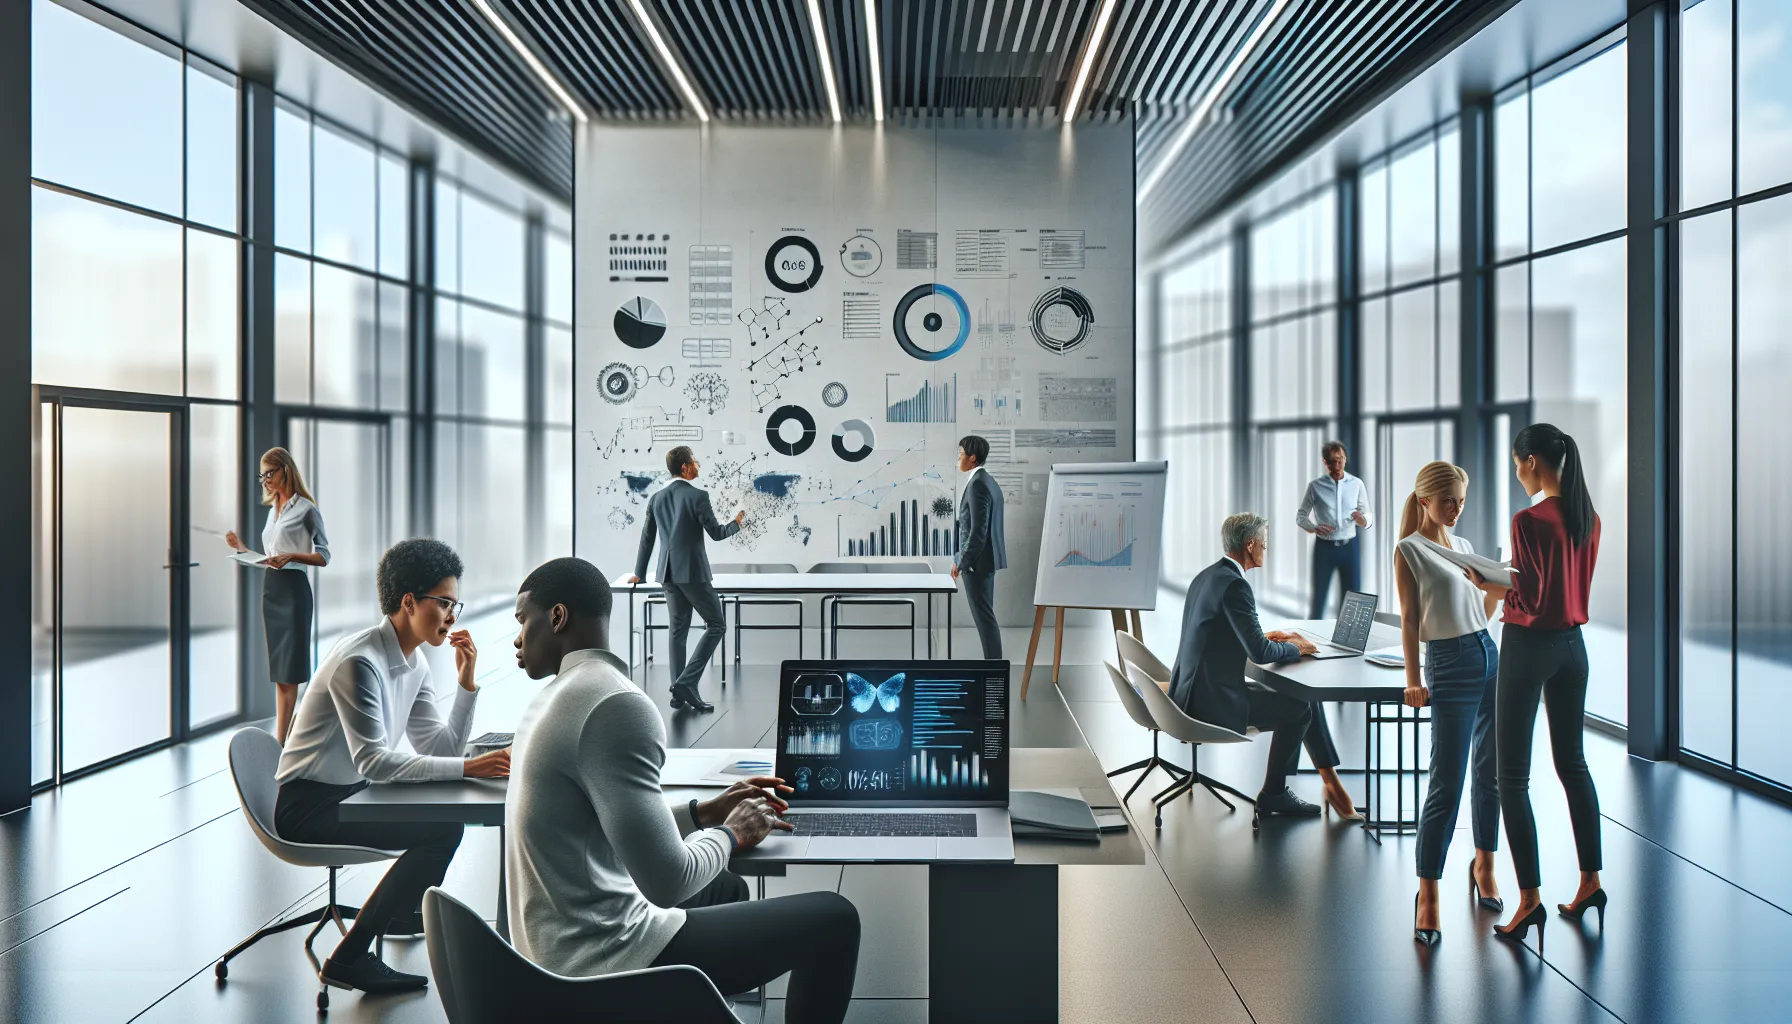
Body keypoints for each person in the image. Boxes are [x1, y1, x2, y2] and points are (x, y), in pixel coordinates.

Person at [508, 557, 861, 1024]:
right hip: (604, 961)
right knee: (834, 919)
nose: (517, 636)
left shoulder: (556, 698)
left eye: (521, 621)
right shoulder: (612, 702)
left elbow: (604, 825)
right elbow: (668, 883)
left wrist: (704, 813)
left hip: (546, 953)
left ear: (557, 618)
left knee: (725, 888)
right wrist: (732, 833)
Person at [274, 539, 510, 995]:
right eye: (443, 603)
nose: (452, 615)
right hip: (308, 805)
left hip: (351, 791)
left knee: (445, 824)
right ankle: (349, 957)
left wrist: (465, 685)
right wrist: (469, 769)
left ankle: (399, 912)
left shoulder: (413, 660)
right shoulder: (359, 662)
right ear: (409, 602)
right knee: (441, 831)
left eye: (453, 603)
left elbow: (439, 747)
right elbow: (375, 762)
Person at [1468, 424, 1605, 950]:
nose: (1516, 471)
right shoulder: (1588, 517)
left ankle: (1529, 901)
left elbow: (1530, 596)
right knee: (1574, 765)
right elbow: (1564, 587)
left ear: (1530, 461)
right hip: (1574, 649)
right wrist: (1513, 579)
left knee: (1511, 777)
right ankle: (1590, 883)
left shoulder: (1528, 519)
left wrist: (1493, 584)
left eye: (1516, 462)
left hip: (1528, 649)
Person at [1168, 513, 1361, 819]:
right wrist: (1294, 648)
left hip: (1187, 692)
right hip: (1210, 703)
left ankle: (1329, 782)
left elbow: (1220, 633)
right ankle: (1274, 794)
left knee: (1304, 699)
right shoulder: (1235, 586)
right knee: (1300, 710)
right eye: (1265, 544)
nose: (1266, 550)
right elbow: (1259, 653)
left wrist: (1270, 638)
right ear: (1250, 544)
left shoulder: (1207, 576)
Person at [1393, 461, 1503, 946]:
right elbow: (1411, 620)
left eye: (1461, 500)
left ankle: (1484, 864)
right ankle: (1428, 892)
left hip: (1488, 654)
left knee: (1491, 772)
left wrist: (1497, 593)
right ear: (1424, 501)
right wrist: (1413, 678)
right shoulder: (1409, 551)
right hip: (1449, 665)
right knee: (1447, 783)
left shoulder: (1464, 548)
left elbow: (1480, 612)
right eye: (1448, 501)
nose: (1456, 509)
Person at [624, 446, 743, 713]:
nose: (698, 465)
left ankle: (678, 694)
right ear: (686, 468)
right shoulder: (698, 495)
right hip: (692, 573)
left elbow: (647, 538)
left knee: (677, 632)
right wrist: (736, 523)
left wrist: (639, 573)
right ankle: (687, 683)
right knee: (716, 625)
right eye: (696, 461)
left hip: (666, 573)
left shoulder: (656, 498)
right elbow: (717, 533)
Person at [225, 447, 330, 745]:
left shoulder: (306, 509)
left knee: (291, 669)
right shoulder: (273, 511)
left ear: (286, 469)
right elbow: (269, 556)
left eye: (270, 473)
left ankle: (282, 738)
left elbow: (324, 555)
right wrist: (240, 547)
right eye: (262, 475)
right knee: (279, 670)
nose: (266, 480)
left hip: (294, 590)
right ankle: (283, 734)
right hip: (272, 590)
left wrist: (293, 557)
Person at [1296, 440, 1373, 620]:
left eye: (1340, 460)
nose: (1337, 465)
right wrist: (1314, 528)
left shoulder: (1357, 484)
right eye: (1332, 461)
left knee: (1352, 601)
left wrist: (1364, 520)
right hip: (1324, 549)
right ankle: (1311, 645)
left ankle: (1347, 645)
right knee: (1319, 600)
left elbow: (1367, 513)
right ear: (1325, 462)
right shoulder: (1315, 486)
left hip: (1350, 547)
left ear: (1345, 459)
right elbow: (1301, 516)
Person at [951, 434, 1007, 660]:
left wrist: (961, 562)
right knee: (986, 617)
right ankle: (994, 667)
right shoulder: (987, 481)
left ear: (972, 458)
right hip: (985, 561)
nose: (958, 459)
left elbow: (977, 532)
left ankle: (994, 669)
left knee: (984, 619)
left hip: (977, 564)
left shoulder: (977, 485)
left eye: (961, 454)